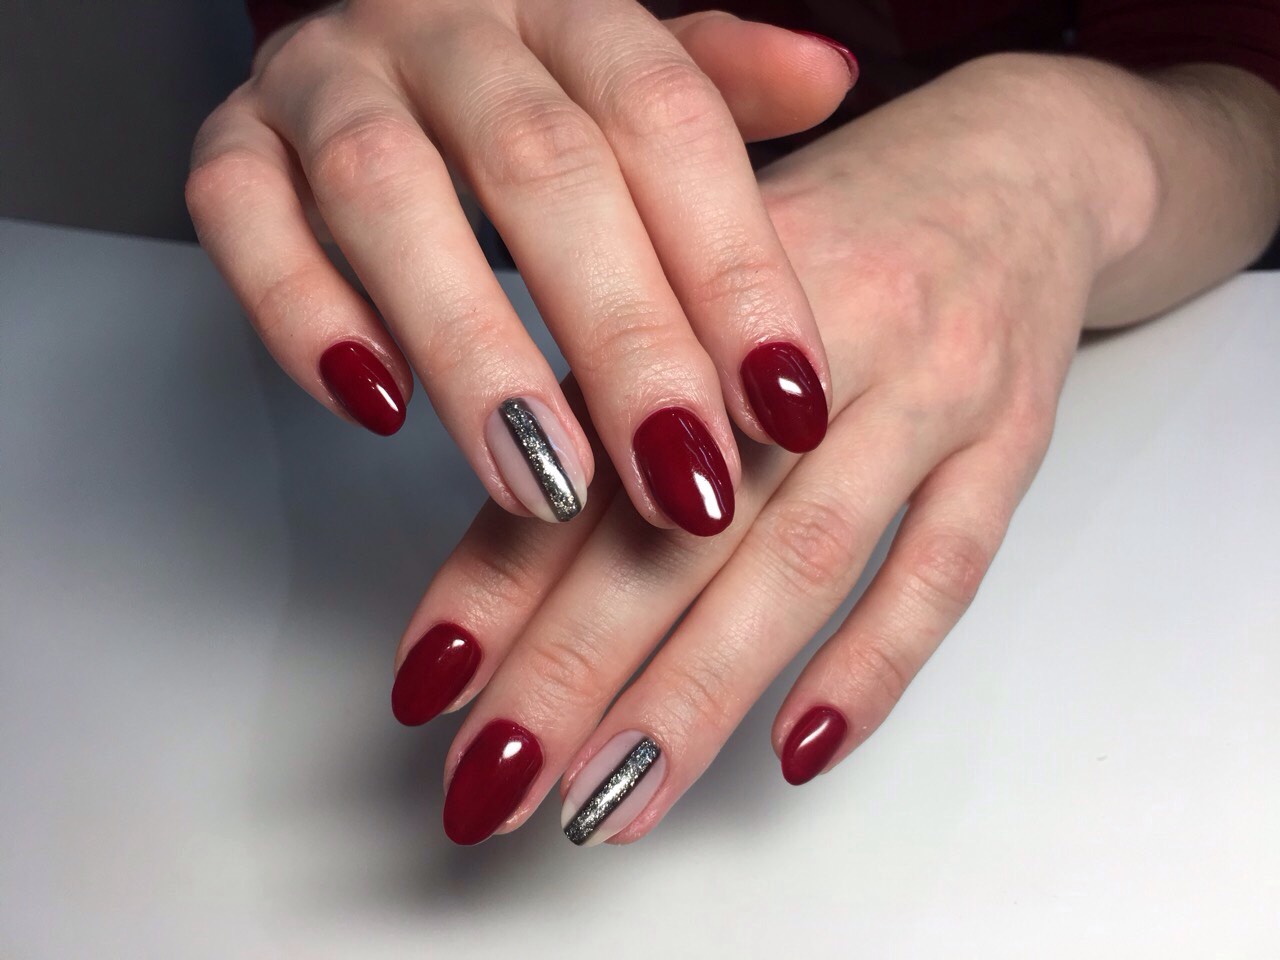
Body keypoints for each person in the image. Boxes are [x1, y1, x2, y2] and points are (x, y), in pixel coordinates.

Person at [188, 0, 1280, 846]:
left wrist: (1053, 152)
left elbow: (1248, 100)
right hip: (486, 355)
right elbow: (352, 72)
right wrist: (349, 68)